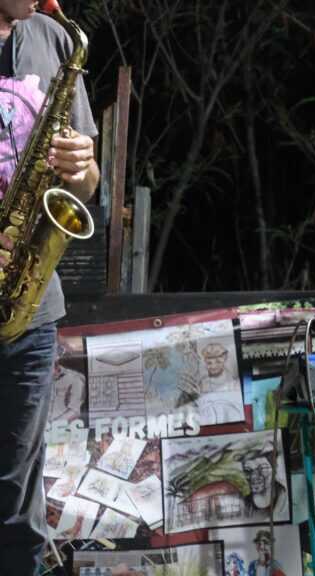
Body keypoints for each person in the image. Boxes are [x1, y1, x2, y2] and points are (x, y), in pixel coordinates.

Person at [0, 0, 99, 572]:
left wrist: (84, 164)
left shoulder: (55, 39)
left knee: (17, 511)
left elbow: (85, 185)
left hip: (28, 310)